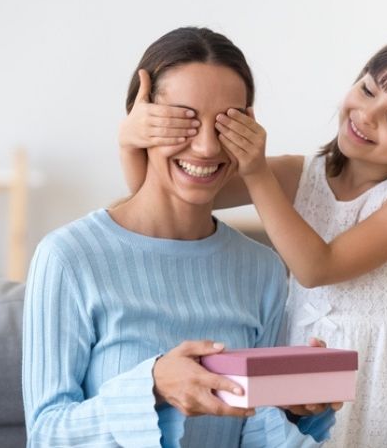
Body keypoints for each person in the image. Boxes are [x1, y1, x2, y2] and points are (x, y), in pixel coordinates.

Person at [120, 33, 387, 447]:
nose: (366, 115)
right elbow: (163, 196)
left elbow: (317, 268)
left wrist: (258, 172)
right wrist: (130, 138)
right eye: (367, 90)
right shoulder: (300, 175)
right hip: (305, 383)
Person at [22, 27, 336, 448]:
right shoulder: (68, 258)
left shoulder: (260, 268)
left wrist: (296, 410)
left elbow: (255, 431)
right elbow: (47, 434)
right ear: (142, 121)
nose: (207, 147)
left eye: (226, 123)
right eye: (183, 120)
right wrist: (152, 386)